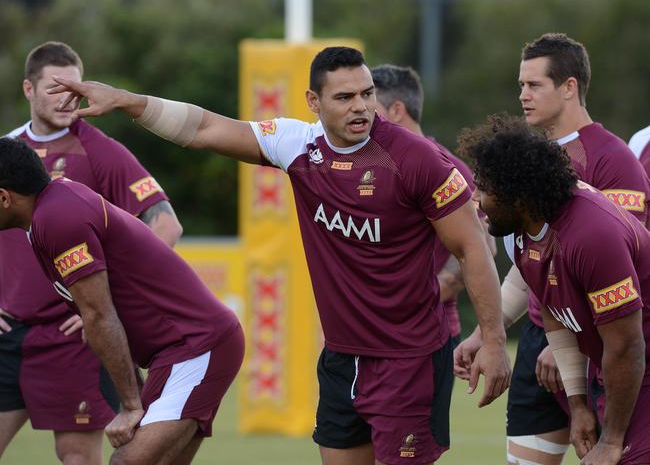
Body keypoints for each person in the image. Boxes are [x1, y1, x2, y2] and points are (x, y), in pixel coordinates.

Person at [50, 46, 511, 465]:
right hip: (341, 358)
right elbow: (205, 128)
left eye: (367, 94)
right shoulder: (298, 145)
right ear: (314, 102)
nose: (361, 107)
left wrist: (492, 339)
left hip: (409, 360)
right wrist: (125, 100)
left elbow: (472, 247)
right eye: (345, 97)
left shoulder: (415, 159)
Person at [454, 33, 650, 465]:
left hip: (610, 340)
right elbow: (534, 276)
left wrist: (578, 353)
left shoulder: (609, 165)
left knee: (611, 449)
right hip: (557, 333)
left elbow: (620, 301)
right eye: (520, 85)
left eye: (534, 84)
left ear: (569, 86)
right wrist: (488, 331)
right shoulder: (524, 198)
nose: (522, 96)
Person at [0, 137, 244, 464]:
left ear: (4, 197)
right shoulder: (49, 209)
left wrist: (130, 405)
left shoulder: (57, 217)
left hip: (197, 346)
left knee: (127, 461)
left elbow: (99, 315)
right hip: (171, 354)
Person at [0, 41, 182, 464]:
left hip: (72, 341)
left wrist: (104, 303)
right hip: (8, 336)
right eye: (54, 88)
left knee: (78, 457)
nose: (67, 98)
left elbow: (166, 223)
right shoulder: (7, 152)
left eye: (75, 88)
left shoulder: (99, 150)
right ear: (28, 89)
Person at [371, 63, 496, 348]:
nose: (361, 114)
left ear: (397, 110)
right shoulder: (372, 167)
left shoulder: (447, 168)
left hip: (428, 334)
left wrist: (411, 306)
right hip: (375, 333)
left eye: (370, 104)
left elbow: (482, 245)